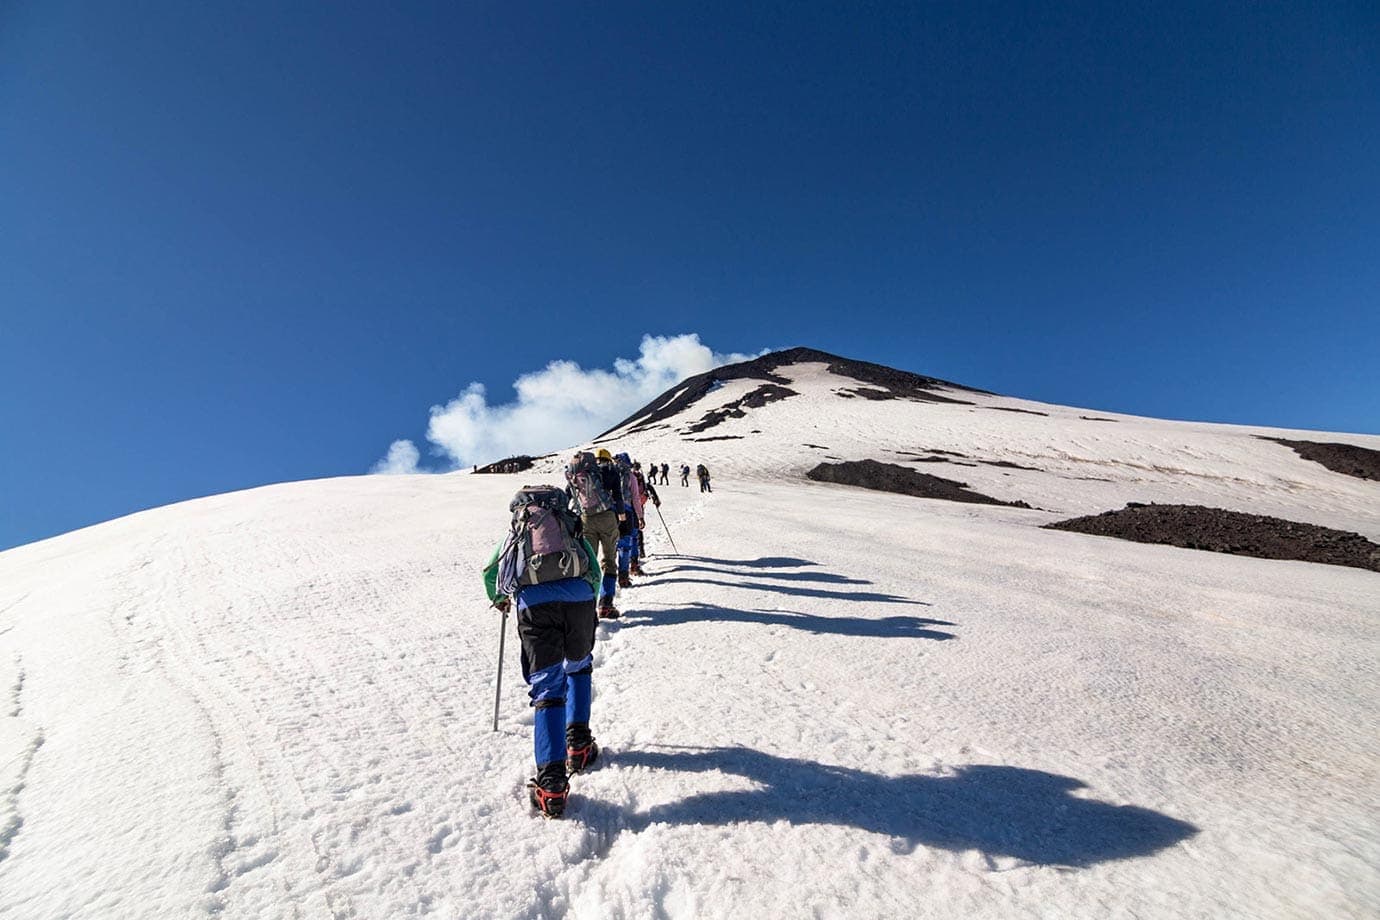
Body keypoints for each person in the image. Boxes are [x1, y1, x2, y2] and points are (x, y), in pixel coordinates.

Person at [482, 485, 602, 818]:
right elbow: (593, 567)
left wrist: (501, 598)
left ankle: (551, 783)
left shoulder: (518, 533)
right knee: (579, 666)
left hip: (535, 606)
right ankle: (578, 744)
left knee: (548, 686)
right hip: (578, 600)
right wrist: (586, 598)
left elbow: (491, 571)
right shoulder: (569, 524)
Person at [566, 449, 627, 619]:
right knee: (609, 560)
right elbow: (618, 495)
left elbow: (568, 493)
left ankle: (586, 606)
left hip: (586, 519)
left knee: (587, 562)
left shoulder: (580, 472)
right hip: (607, 517)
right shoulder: (610, 471)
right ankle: (606, 605)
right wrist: (622, 517)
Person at [630, 461, 661, 575]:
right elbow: (649, 488)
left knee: (635, 529)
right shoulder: (640, 478)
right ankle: (640, 550)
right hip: (639, 505)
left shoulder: (632, 477)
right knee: (637, 528)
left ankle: (638, 552)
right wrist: (655, 498)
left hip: (632, 506)